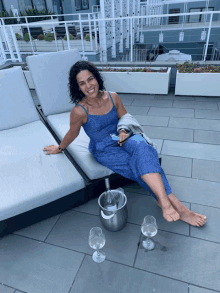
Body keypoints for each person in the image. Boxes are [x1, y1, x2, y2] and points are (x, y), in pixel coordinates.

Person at [43, 61, 207, 227]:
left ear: (97, 78)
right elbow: (73, 133)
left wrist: (123, 131)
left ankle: (163, 201)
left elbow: (125, 118)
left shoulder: (113, 97)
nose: (88, 85)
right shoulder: (79, 111)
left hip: (123, 137)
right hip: (104, 149)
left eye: (90, 79)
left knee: (143, 147)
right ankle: (175, 206)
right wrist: (60, 148)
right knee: (139, 164)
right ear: (77, 87)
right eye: (82, 83)